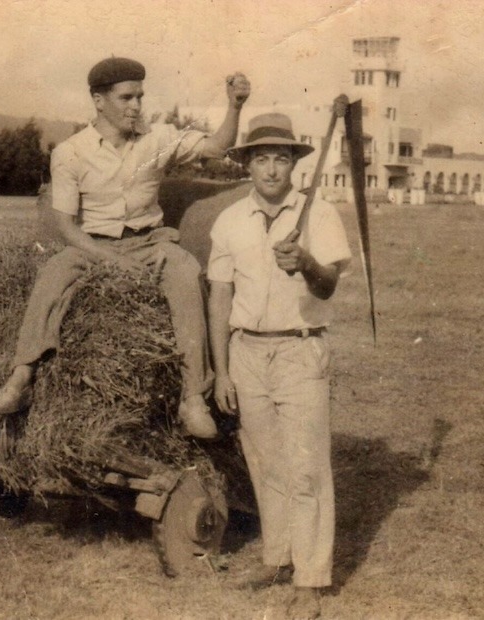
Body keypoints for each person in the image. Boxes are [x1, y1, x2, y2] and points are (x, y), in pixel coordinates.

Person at [0, 57, 250, 439]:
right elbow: (65, 227)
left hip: (151, 241)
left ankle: (192, 399)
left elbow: (216, 146)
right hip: (91, 245)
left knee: (187, 272)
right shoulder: (70, 153)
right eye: (126, 98)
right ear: (98, 100)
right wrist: (109, 259)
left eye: (140, 96)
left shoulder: (158, 139)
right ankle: (21, 378)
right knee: (54, 273)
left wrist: (235, 105)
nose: (136, 106)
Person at [207, 112, 352, 619]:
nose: (271, 170)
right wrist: (222, 370)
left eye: (281, 159)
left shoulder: (320, 215)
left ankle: (311, 579)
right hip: (247, 353)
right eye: (262, 159)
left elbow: (329, 285)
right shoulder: (228, 221)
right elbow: (219, 297)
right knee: (266, 464)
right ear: (246, 165)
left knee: (307, 464)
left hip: (299, 349)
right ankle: (277, 558)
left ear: (294, 165)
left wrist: (307, 263)